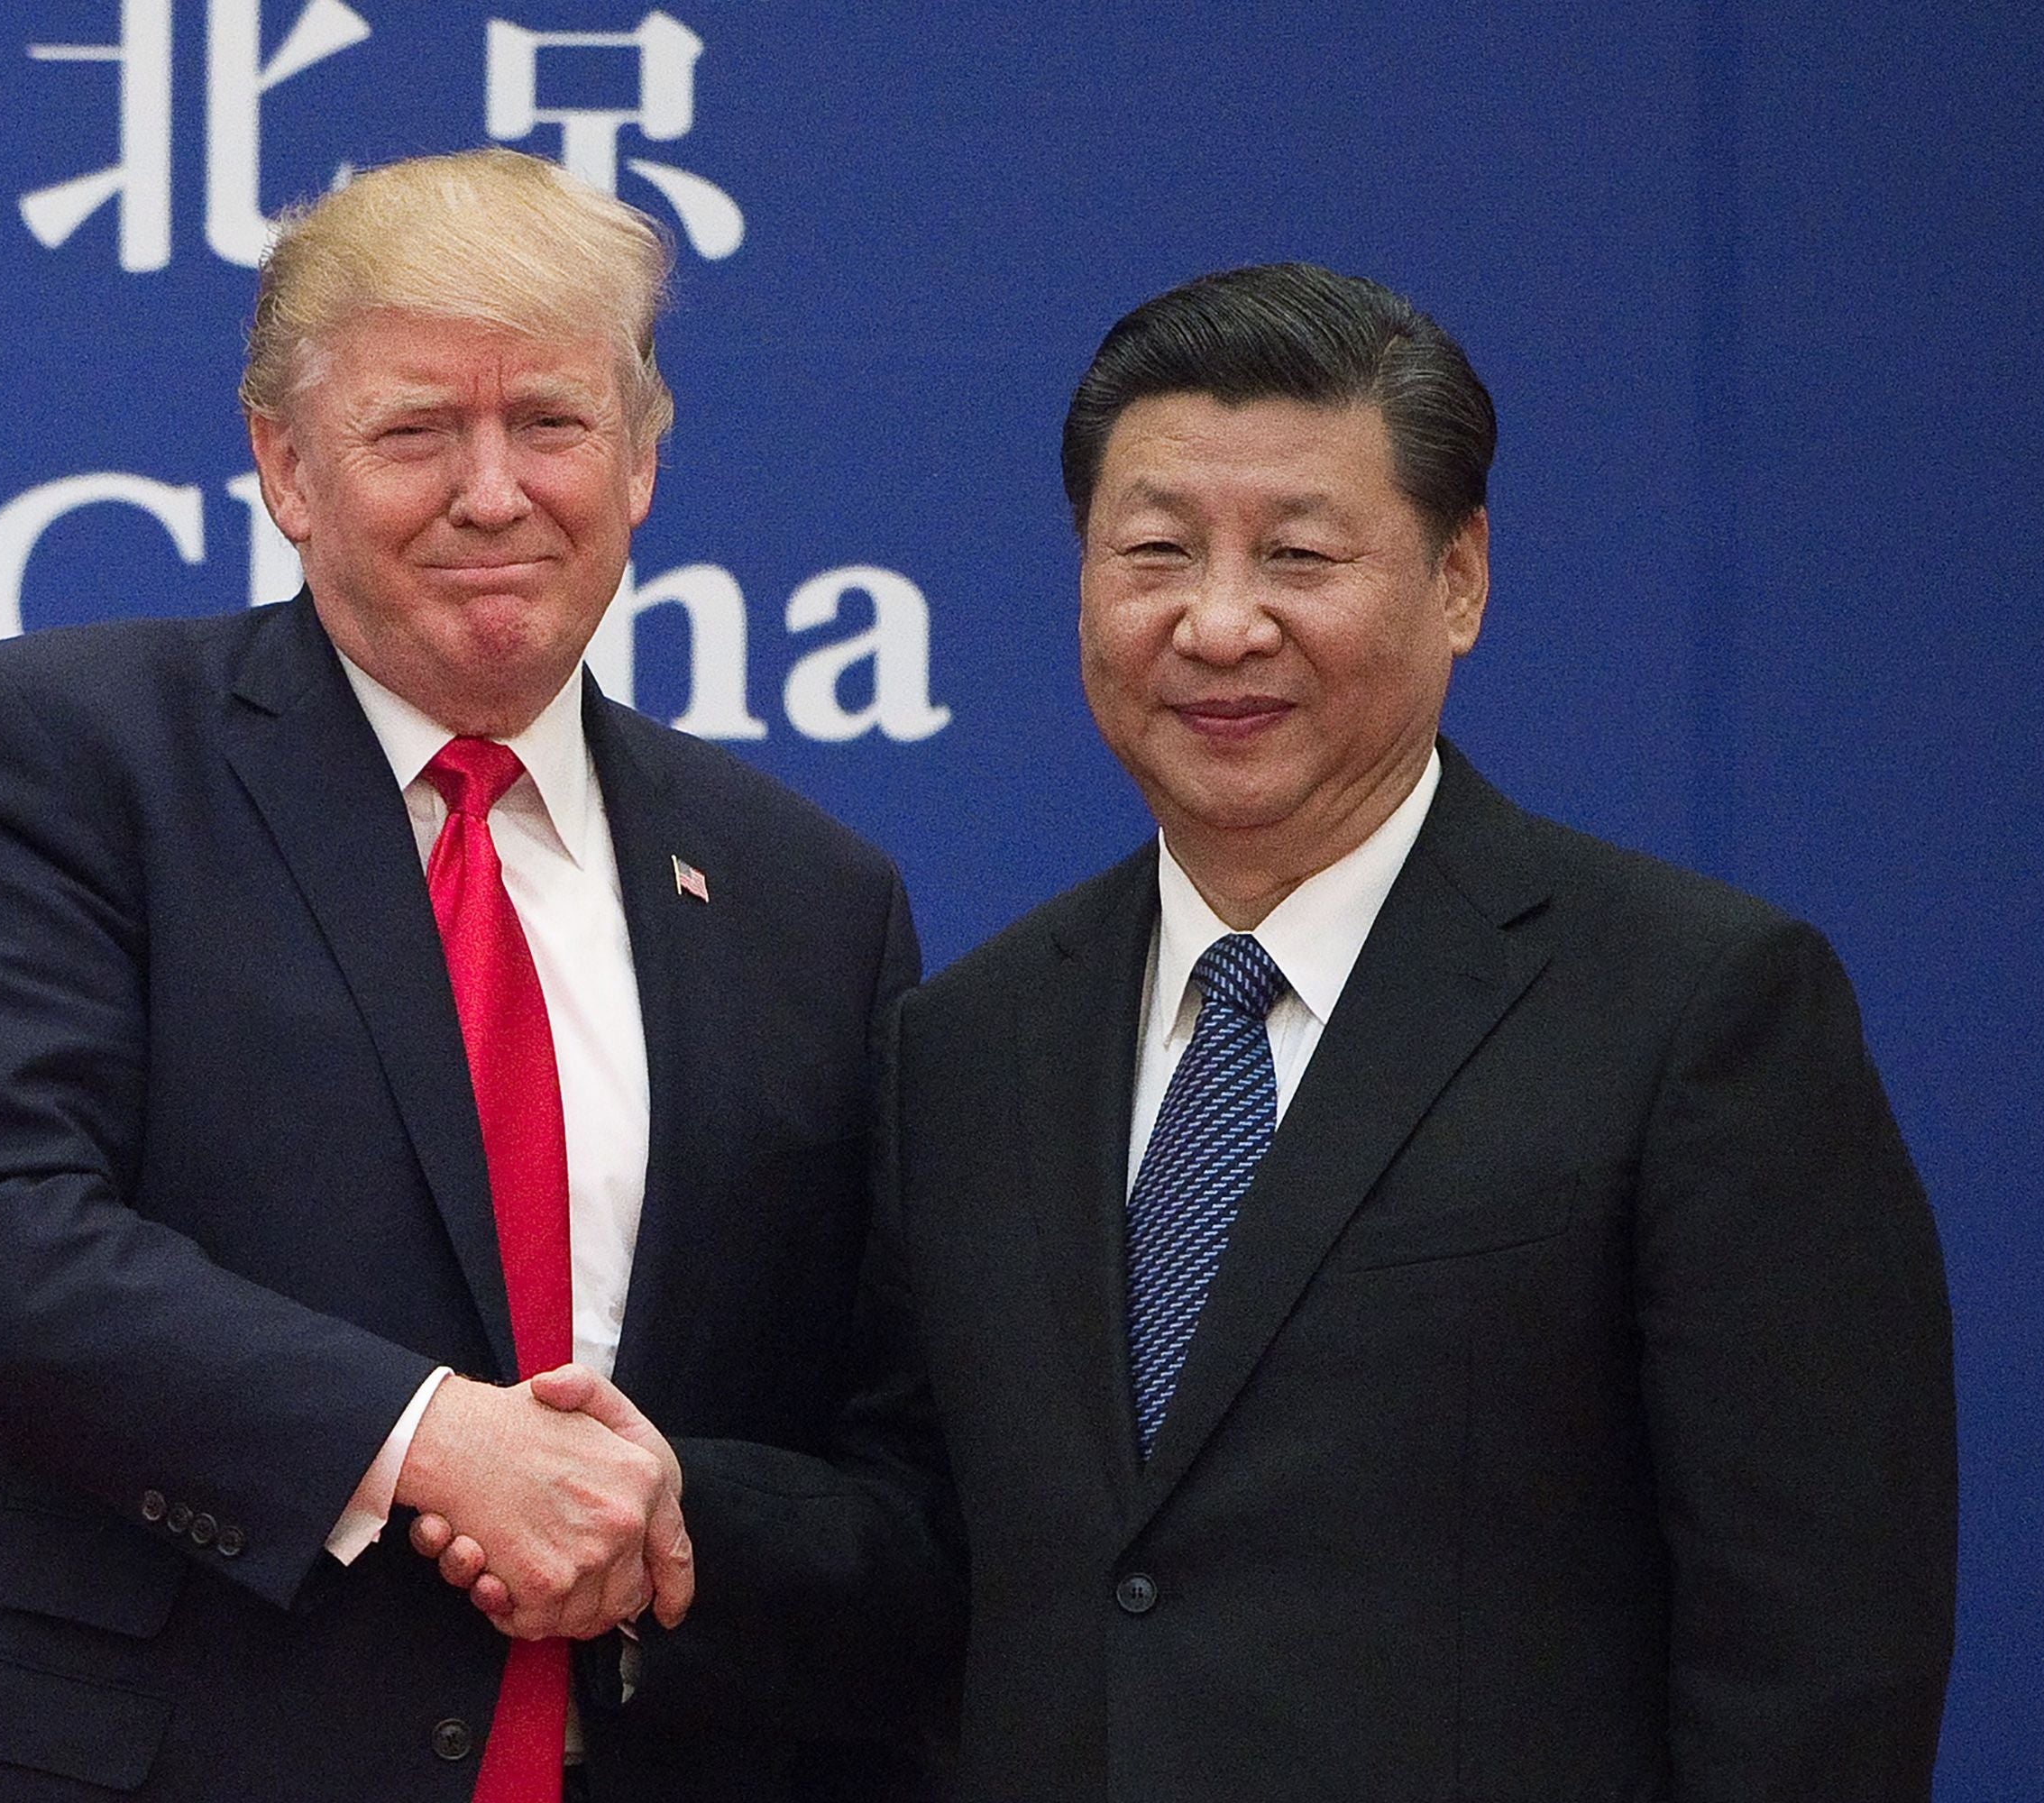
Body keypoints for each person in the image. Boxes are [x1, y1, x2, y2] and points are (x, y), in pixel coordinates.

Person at [452, 261, 1957, 1799]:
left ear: (1461, 578)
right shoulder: (972, 1044)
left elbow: (1819, 1654)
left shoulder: (1693, 1009)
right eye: (1157, 551)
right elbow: (932, 1546)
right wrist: (671, 1508)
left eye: (1301, 556)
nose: (1220, 625)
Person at [0, 147, 938, 1802]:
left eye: (551, 424)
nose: (494, 493)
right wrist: (434, 1442)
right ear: (285, 465)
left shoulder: (808, 895)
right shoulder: (67, 754)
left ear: (641, 459)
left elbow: (891, 1465)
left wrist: (674, 1520)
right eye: (417, 430)